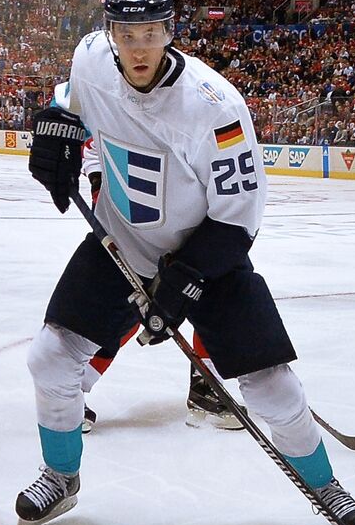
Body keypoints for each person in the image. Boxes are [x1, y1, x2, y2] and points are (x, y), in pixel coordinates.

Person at [20, 0, 355, 525]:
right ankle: (61, 477)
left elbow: (238, 218)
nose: (138, 48)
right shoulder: (90, 59)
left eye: (151, 32)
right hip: (120, 246)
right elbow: (70, 101)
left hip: (208, 257)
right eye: (127, 34)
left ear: (170, 30)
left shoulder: (215, 106)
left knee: (270, 385)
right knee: (50, 358)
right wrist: (54, 129)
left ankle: (325, 485)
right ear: (110, 32)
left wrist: (185, 283)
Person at [76, 137, 243, 432]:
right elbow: (93, 147)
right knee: (128, 312)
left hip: (192, 227)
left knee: (211, 298)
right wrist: (100, 185)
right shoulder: (125, 102)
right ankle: (74, 387)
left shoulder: (200, 107)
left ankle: (206, 389)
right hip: (138, 229)